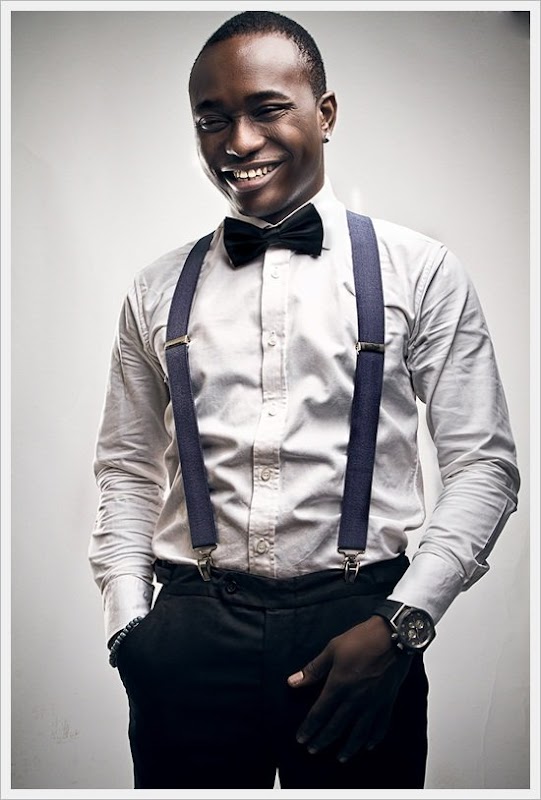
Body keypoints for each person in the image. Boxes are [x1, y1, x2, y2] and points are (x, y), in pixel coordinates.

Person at [89, 11, 520, 790]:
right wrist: (129, 627)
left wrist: (402, 623)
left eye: (266, 109)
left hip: (361, 624)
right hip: (190, 633)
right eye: (212, 120)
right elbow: (126, 467)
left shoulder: (420, 269)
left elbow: (483, 465)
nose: (238, 141)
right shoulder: (154, 288)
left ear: (324, 113)